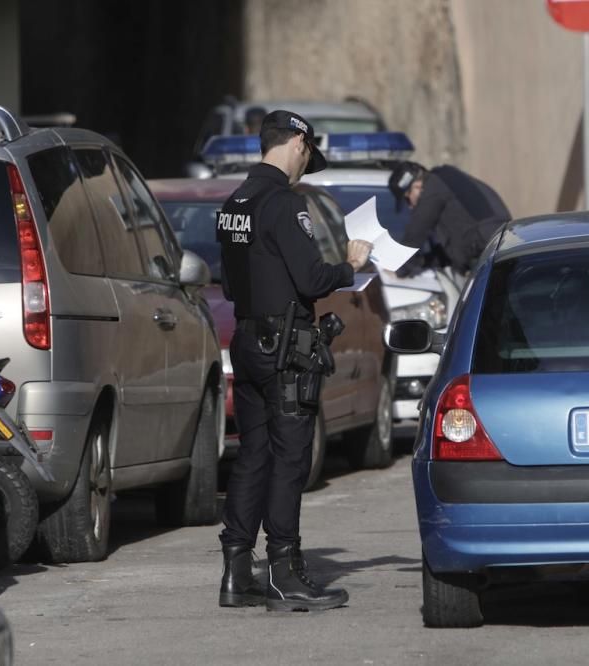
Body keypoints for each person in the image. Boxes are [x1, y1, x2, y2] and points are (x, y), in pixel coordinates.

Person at [216, 109, 373, 612]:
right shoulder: (284, 204)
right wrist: (349, 266)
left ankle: (237, 573)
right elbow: (311, 279)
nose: (306, 166)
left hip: (247, 341)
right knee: (289, 459)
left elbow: (234, 283)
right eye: (308, 156)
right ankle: (285, 573)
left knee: (253, 455)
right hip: (284, 351)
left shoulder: (234, 202)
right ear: (299, 146)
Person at [388, 162, 510, 277]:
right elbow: (453, 246)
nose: (410, 206)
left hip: (488, 252)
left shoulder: (434, 188)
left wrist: (398, 268)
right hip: (499, 243)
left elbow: (415, 234)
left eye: (407, 199)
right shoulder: (445, 178)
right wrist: (423, 261)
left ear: (416, 186)